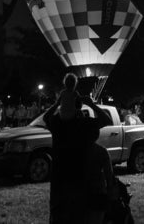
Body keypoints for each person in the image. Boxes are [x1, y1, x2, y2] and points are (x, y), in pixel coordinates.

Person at [42, 92, 112, 223]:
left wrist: (57, 104)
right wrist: (92, 104)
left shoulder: (58, 124)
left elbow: (46, 117)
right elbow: (107, 120)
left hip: (60, 182)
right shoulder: (84, 125)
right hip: (78, 182)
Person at [84, 120, 116, 224]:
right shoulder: (101, 151)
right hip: (98, 192)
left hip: (81, 192)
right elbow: (109, 174)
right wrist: (110, 190)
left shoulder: (77, 151)